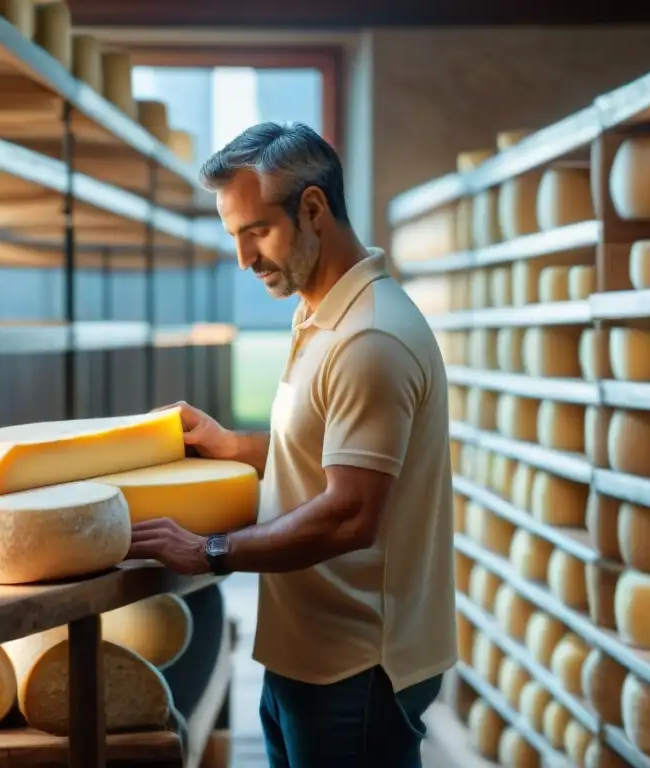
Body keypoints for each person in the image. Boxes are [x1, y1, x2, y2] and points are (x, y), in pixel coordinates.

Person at [128, 121, 456, 768]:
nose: (245, 259)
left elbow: (352, 513)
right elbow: (321, 448)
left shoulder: (371, 340)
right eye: (235, 237)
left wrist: (210, 550)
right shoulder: (319, 311)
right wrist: (233, 446)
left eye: (257, 232)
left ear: (313, 208)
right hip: (310, 656)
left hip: (357, 670)